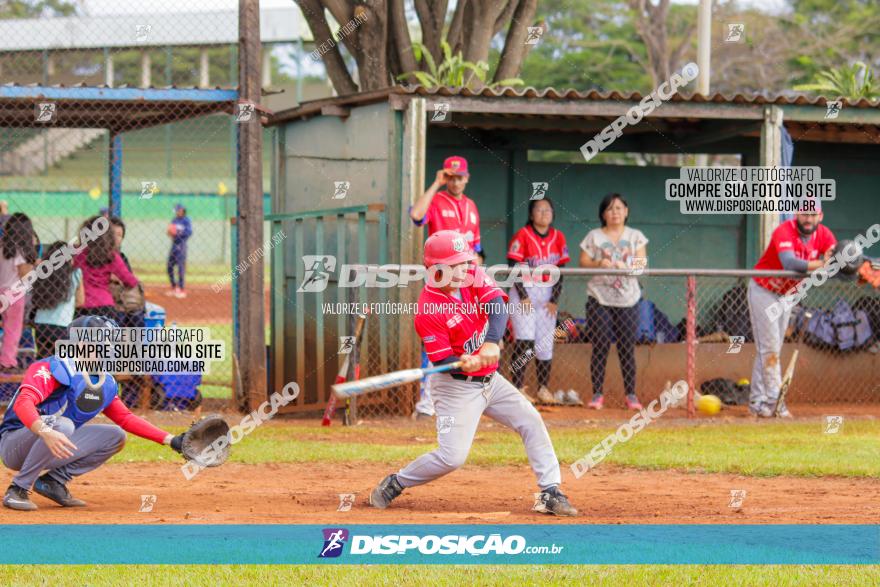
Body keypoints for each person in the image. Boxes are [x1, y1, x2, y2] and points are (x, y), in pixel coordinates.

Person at [368, 230, 577, 517]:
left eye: (464, 262)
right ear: (434, 270)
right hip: (456, 388)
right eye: (453, 265)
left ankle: (550, 491)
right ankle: (397, 481)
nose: (462, 269)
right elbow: (442, 358)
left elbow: (497, 307)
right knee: (451, 457)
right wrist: (460, 361)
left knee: (531, 419)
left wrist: (490, 343)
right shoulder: (428, 309)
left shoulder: (472, 275)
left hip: (492, 380)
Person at [0, 315, 190, 511]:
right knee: (63, 425)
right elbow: (24, 402)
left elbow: (125, 418)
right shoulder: (52, 367)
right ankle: (18, 489)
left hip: (55, 440)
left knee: (115, 436)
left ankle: (53, 482)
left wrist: (171, 440)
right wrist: (45, 431)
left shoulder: (101, 380)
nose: (110, 350)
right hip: (15, 444)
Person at [409, 156, 483, 419]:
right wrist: (435, 184)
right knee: (437, 334)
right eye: (451, 177)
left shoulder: (472, 206)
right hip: (441, 277)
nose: (456, 181)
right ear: (446, 177)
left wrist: (477, 276)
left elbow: (477, 248)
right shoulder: (437, 200)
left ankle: (458, 399)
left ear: (467, 177)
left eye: (460, 176)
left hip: (466, 279)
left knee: (465, 335)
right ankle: (426, 402)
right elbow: (417, 216)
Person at [748, 202, 835, 418]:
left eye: (813, 214)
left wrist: (848, 262)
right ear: (797, 213)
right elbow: (789, 263)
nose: (808, 218)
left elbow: (837, 257)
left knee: (771, 348)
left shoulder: (824, 235)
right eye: (804, 213)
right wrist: (822, 264)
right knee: (770, 349)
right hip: (764, 290)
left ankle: (758, 402)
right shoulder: (784, 230)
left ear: (820, 216)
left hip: (787, 295)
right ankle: (776, 403)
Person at [506, 198, 580, 406]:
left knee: (545, 344)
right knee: (524, 340)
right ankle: (518, 388)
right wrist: (523, 295)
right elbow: (513, 266)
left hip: (547, 292)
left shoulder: (558, 237)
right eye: (539, 210)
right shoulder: (523, 234)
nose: (544, 213)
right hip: (525, 290)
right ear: (531, 214)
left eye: (548, 210)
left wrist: (555, 300)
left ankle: (543, 389)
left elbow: (561, 271)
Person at [579, 193, 648, 411]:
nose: (615, 212)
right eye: (609, 209)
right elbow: (583, 262)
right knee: (600, 346)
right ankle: (597, 394)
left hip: (629, 299)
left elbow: (641, 264)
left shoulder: (636, 236)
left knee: (627, 348)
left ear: (626, 211)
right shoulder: (594, 236)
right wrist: (600, 262)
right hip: (599, 298)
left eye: (619, 208)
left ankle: (631, 395)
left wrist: (624, 267)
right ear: (603, 214)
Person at [74, 215, 139, 321]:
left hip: (81, 307)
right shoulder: (112, 256)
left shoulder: (77, 253)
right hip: (105, 307)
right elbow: (131, 281)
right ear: (109, 236)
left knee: (81, 336)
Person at [31, 241, 84, 359]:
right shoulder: (76, 273)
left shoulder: (42, 273)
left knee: (43, 362)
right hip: (63, 325)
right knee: (63, 363)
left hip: (41, 324)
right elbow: (80, 301)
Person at [0, 213, 37, 373]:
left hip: (2, 290)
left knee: (6, 326)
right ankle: (7, 361)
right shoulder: (20, 252)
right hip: (14, 294)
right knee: (13, 329)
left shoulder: (3, 249)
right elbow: (24, 275)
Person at [166, 204, 193, 299]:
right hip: (174, 244)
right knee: (169, 266)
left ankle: (181, 289)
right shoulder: (174, 220)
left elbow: (189, 232)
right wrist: (170, 232)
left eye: (178, 210)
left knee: (180, 267)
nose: (177, 212)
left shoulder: (186, 220)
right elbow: (170, 231)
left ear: (182, 210)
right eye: (176, 210)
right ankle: (174, 287)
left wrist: (178, 233)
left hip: (182, 245)